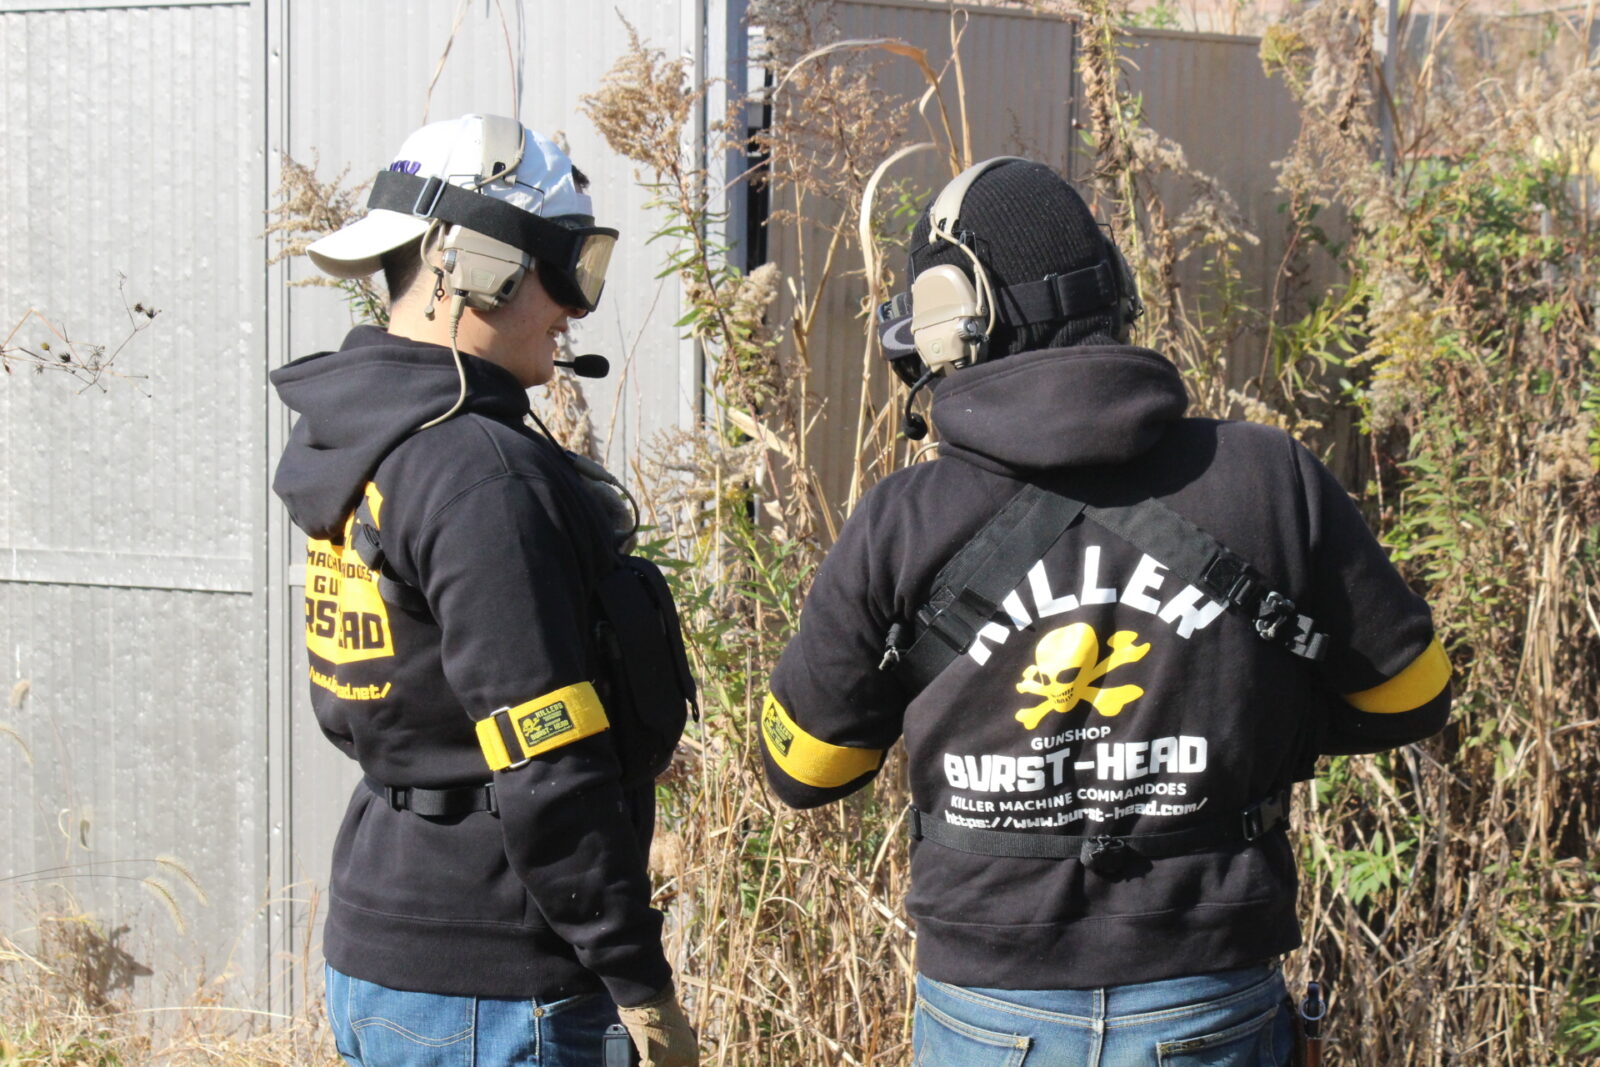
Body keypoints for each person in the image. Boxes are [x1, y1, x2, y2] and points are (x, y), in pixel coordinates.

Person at [760, 157, 1451, 1066]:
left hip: (989, 1010)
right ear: (1118, 290)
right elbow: (1413, 697)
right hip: (1207, 994)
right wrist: (1259, 720)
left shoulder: (901, 519)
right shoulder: (1268, 476)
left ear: (944, 321)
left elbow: (805, 766)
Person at [271, 113, 698, 1067]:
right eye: (564, 267)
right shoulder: (479, 475)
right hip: (497, 980)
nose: (575, 308)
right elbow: (547, 760)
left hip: (389, 945)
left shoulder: (375, 438)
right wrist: (639, 980)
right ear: (474, 264)